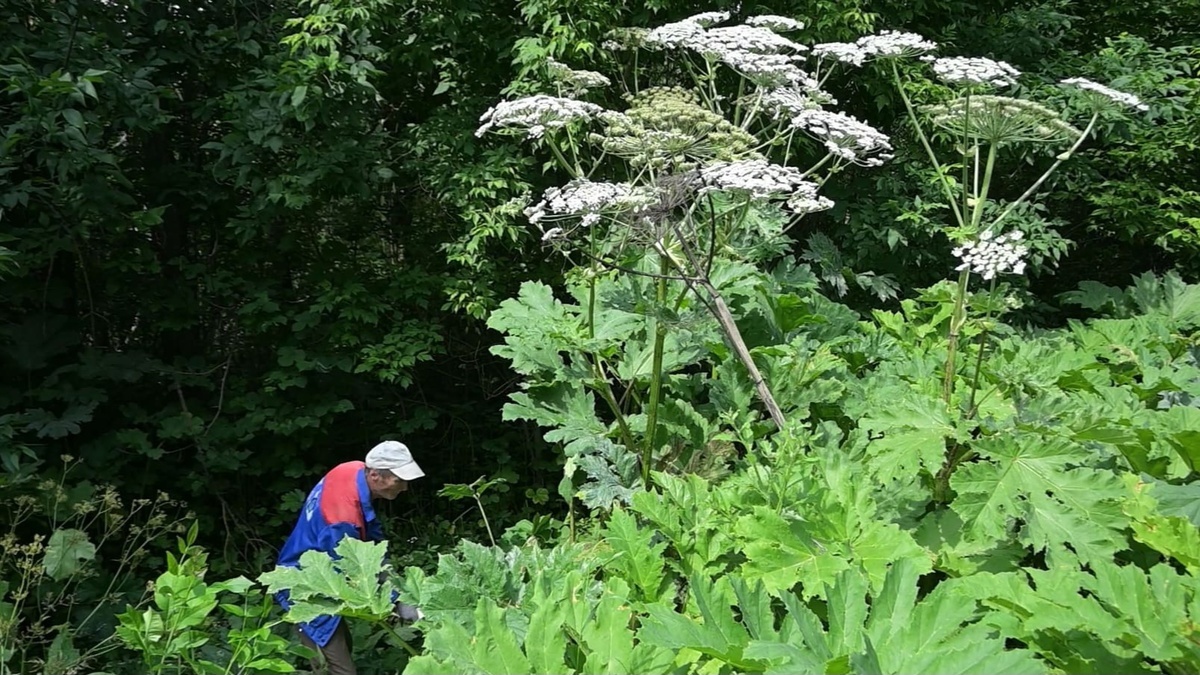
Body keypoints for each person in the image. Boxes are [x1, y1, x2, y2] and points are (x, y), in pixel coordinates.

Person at [274, 441, 425, 675]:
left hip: (318, 570)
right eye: (399, 480)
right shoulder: (342, 522)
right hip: (304, 585)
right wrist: (396, 600)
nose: (405, 487)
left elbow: (368, 535)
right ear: (375, 475)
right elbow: (357, 571)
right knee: (337, 668)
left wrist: (390, 578)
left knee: (344, 646)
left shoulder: (352, 469)